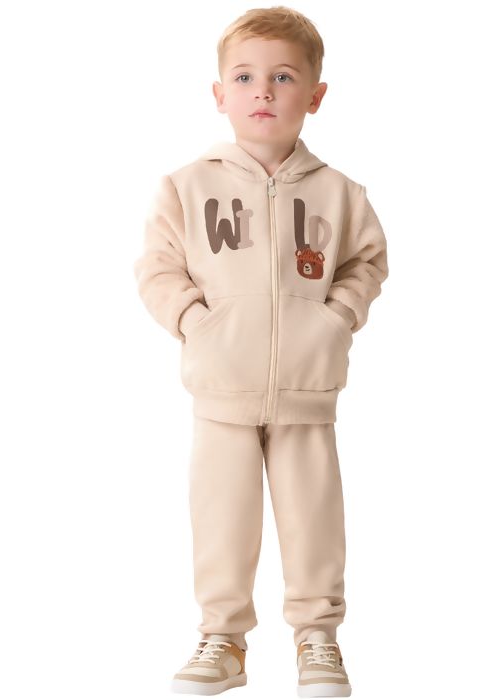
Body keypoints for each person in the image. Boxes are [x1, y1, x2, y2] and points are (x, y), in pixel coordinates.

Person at [133, 6, 388, 697]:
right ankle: (223, 638)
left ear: (316, 95)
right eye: (245, 78)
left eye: (283, 77)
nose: (264, 91)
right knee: (222, 516)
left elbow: (366, 262)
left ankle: (317, 637)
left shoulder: (340, 193)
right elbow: (157, 268)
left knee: (314, 516)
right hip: (221, 386)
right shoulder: (186, 186)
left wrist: (337, 318)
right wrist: (195, 321)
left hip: (309, 386)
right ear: (220, 94)